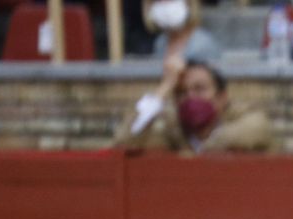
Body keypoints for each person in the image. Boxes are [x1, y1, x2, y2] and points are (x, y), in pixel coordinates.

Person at [117, 30, 273, 155]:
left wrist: (202, 150)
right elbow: (126, 141)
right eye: (181, 92)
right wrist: (164, 87)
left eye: (200, 89)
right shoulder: (172, 132)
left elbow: (258, 129)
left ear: (221, 98)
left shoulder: (245, 117)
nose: (190, 98)